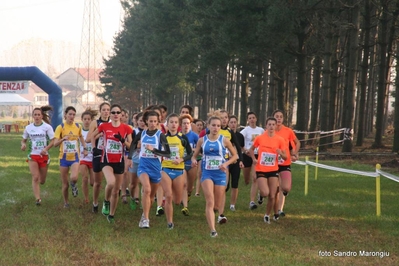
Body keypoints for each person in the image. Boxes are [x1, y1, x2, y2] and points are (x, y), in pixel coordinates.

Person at [191, 116, 238, 237]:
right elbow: (194, 155)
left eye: (218, 126)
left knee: (216, 205)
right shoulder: (202, 140)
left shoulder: (224, 140)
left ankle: (215, 214)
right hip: (207, 173)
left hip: (220, 173)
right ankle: (212, 230)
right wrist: (194, 160)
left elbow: (235, 156)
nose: (215, 128)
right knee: (210, 201)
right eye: (213, 125)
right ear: (208, 126)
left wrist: (226, 164)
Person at [128, 110, 171, 229]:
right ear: (146, 121)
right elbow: (133, 144)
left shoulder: (160, 135)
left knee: (151, 196)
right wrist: (130, 158)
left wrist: (154, 150)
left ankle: (144, 214)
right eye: (150, 121)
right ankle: (146, 219)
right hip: (143, 165)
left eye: (155, 121)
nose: (152, 123)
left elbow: (168, 153)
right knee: (146, 189)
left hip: (156, 167)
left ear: (158, 122)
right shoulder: (142, 134)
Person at [91, 104, 133, 223]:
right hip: (106, 160)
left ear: (121, 114)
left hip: (119, 161)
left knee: (116, 190)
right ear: (110, 114)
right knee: (111, 182)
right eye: (113, 112)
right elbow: (92, 137)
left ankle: (111, 215)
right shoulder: (104, 126)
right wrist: (94, 149)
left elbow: (132, 147)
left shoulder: (126, 128)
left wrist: (123, 141)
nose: (115, 115)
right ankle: (105, 201)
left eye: (117, 112)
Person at [248, 117, 287, 223]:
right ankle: (261, 194)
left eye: (273, 124)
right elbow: (251, 149)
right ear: (266, 126)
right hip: (261, 169)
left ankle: (267, 215)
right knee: (265, 193)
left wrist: (280, 153)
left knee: (272, 195)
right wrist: (254, 159)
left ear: (276, 126)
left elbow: (285, 157)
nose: (271, 126)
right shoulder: (260, 138)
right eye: (269, 124)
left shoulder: (280, 140)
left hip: (273, 170)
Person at [160, 113, 193, 229]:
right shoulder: (163, 137)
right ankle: (170, 222)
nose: (173, 125)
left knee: (177, 201)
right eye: (171, 122)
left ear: (178, 125)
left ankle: (174, 203)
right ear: (167, 124)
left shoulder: (182, 138)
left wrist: (181, 159)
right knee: (168, 196)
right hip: (166, 169)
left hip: (179, 170)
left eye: (175, 122)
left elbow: (190, 153)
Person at [54, 106, 88, 208]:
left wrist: (85, 148)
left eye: (73, 114)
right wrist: (62, 139)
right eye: (70, 114)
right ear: (65, 115)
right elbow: (55, 144)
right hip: (63, 158)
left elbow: (81, 137)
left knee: (74, 177)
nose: (72, 116)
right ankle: (66, 202)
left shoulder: (78, 126)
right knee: (65, 184)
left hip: (75, 157)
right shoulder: (60, 127)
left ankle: (74, 184)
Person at [21, 106, 55, 205]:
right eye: (35, 115)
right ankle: (38, 199)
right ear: (32, 116)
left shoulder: (47, 127)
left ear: (41, 116)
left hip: (44, 156)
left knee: (42, 180)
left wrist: (46, 149)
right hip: (32, 155)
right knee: (35, 177)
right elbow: (23, 140)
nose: (36, 116)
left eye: (38, 115)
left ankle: (40, 183)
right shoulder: (28, 128)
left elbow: (53, 141)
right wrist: (23, 145)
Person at [273, 109, 300, 217]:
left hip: (285, 162)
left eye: (280, 116)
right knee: (275, 187)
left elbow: (297, 143)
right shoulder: (270, 130)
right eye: (276, 116)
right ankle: (279, 209)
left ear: (283, 119)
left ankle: (281, 199)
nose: (278, 118)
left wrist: (295, 154)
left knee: (286, 188)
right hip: (273, 164)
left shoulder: (288, 131)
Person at [86, 102, 110, 213]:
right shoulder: (95, 123)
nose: (106, 112)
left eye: (108, 110)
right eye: (104, 109)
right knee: (98, 182)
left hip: (111, 154)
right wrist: (98, 135)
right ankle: (95, 203)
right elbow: (87, 139)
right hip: (98, 153)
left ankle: (107, 202)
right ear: (100, 111)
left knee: (111, 182)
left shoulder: (113, 122)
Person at [240, 112, 264, 210]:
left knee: (255, 178)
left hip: (257, 155)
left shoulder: (261, 130)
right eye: (250, 118)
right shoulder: (245, 131)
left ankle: (252, 201)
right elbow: (239, 143)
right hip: (246, 155)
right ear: (247, 120)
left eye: (253, 117)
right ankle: (255, 193)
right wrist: (245, 150)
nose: (252, 120)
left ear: (256, 119)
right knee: (247, 180)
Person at [180, 114, 198, 215]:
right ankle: (185, 207)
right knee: (184, 185)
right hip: (181, 164)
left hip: (191, 164)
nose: (186, 125)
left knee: (190, 187)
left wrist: (193, 150)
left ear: (190, 124)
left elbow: (201, 149)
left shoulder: (194, 136)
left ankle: (189, 194)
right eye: (184, 123)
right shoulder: (178, 135)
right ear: (181, 125)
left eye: (188, 123)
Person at [79, 108, 98, 204]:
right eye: (85, 119)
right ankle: (86, 198)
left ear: (91, 120)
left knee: (92, 182)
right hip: (82, 158)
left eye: (89, 119)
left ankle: (95, 197)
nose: (87, 121)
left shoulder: (94, 131)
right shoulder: (79, 131)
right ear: (82, 119)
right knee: (85, 178)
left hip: (93, 158)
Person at [226, 115, 244, 211]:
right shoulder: (225, 134)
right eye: (231, 122)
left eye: (234, 122)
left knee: (235, 183)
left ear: (237, 124)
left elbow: (240, 149)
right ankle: (221, 201)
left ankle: (232, 204)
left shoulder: (240, 136)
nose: (233, 124)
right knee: (225, 185)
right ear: (228, 124)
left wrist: (241, 160)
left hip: (236, 162)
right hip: (225, 161)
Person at [128, 112, 145, 210]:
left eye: (144, 121)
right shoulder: (133, 132)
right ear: (137, 121)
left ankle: (144, 201)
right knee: (133, 184)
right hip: (135, 160)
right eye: (140, 121)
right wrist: (136, 146)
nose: (142, 123)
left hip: (145, 161)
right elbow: (129, 146)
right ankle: (132, 198)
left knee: (144, 182)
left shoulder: (150, 132)